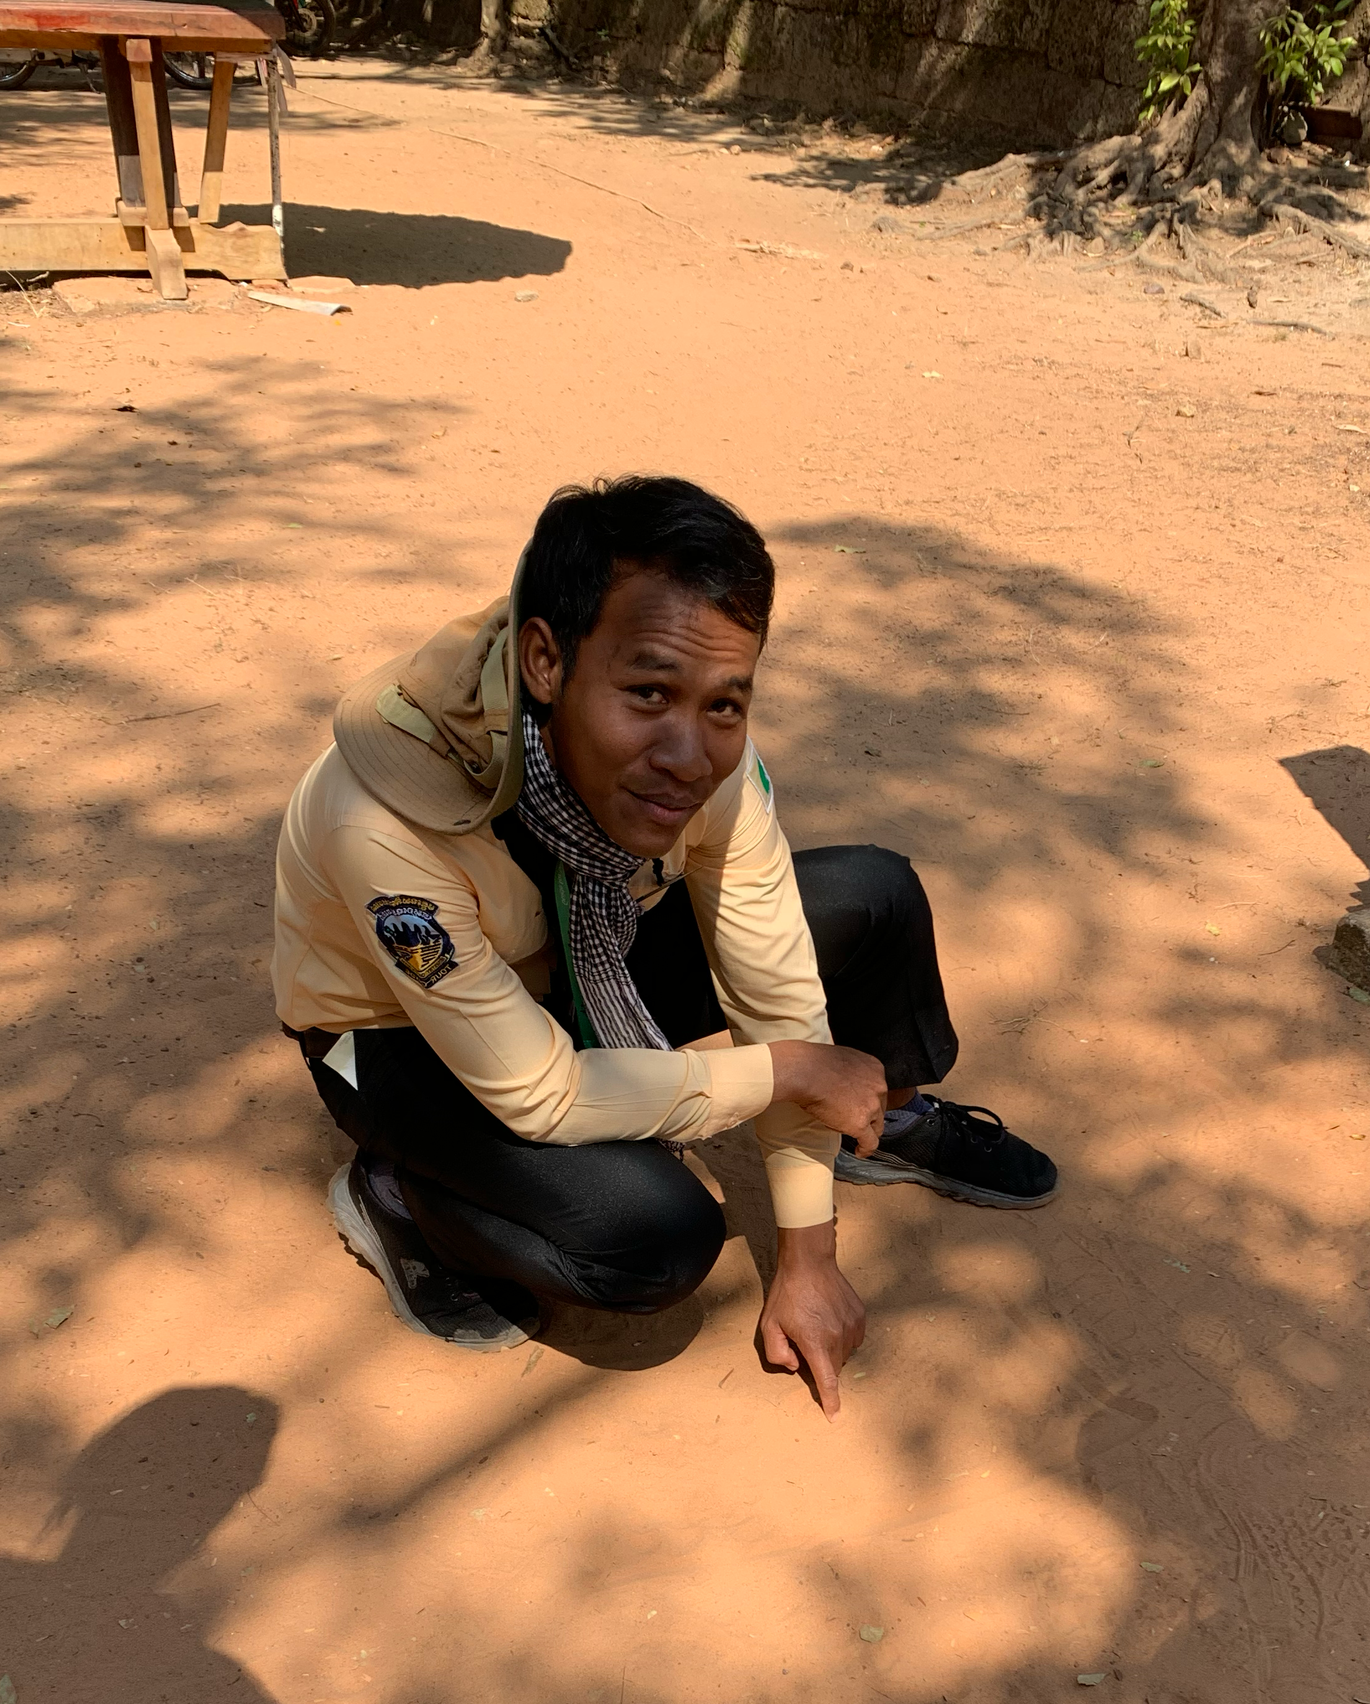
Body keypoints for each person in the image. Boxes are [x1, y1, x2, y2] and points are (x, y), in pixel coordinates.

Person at [271, 475, 1055, 1418]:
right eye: (647, 692)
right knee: (648, 1239)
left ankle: (873, 1117)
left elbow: (774, 987)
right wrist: (790, 1074)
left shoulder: (700, 750)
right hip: (399, 1034)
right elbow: (541, 1092)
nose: (688, 755)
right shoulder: (384, 817)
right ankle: (402, 1196)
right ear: (545, 662)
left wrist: (808, 1256)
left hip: (576, 957)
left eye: (724, 703)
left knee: (870, 896)